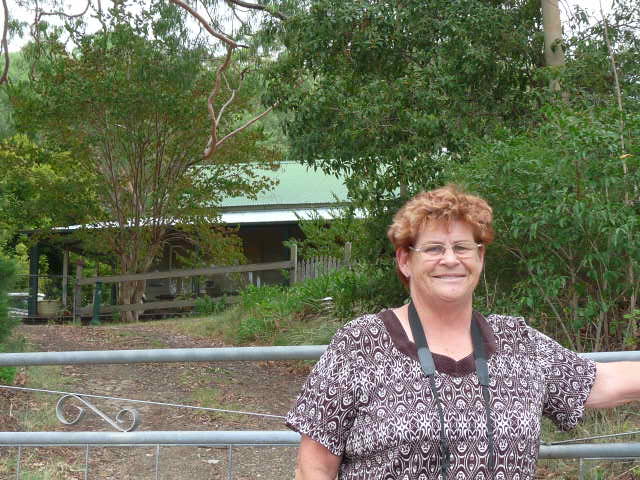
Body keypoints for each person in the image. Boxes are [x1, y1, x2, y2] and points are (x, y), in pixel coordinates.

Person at [285, 185, 640, 480]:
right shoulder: (360, 344)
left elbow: (601, 382)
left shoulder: (518, 341)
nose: (451, 260)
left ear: (480, 258)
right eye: (434, 248)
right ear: (405, 260)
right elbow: (314, 466)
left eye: (463, 247)